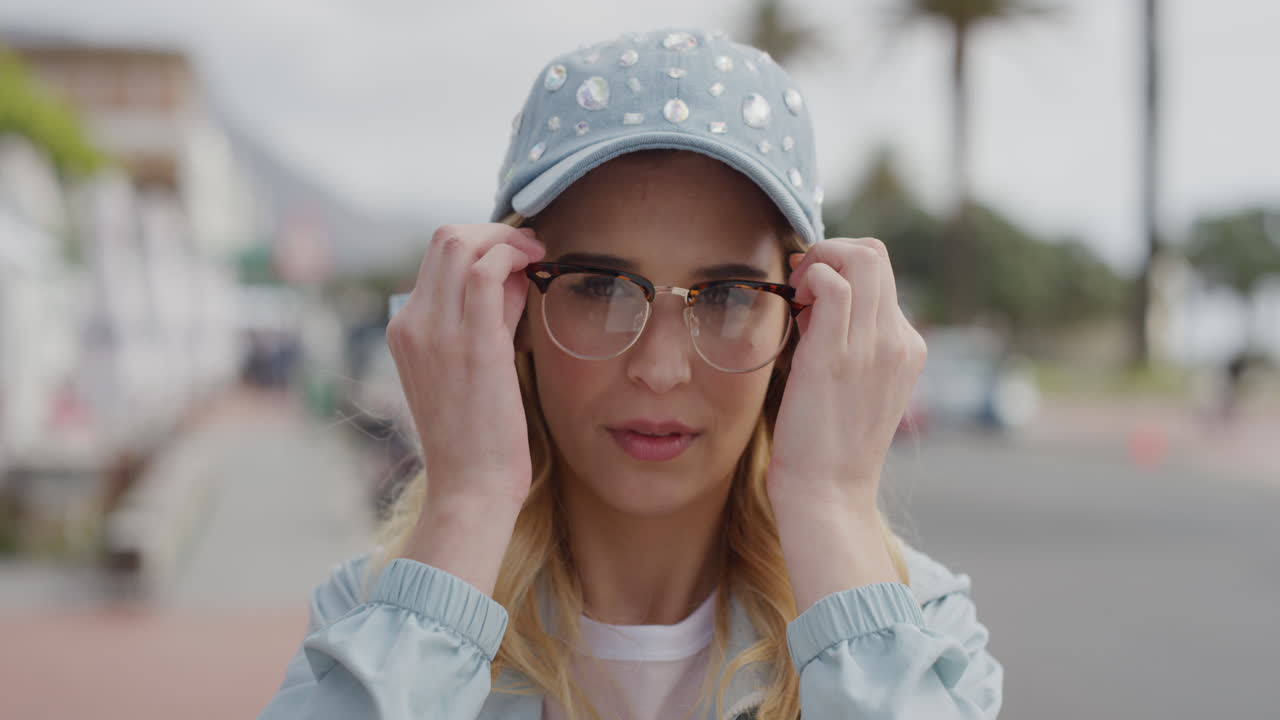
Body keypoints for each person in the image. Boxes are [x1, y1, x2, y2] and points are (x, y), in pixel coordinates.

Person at [258, 27, 1003, 720]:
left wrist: (832, 509)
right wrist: (467, 506)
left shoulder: (919, 626)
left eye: (728, 296)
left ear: (801, 322)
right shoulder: (373, 623)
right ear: (509, 310)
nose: (659, 368)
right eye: (600, 287)